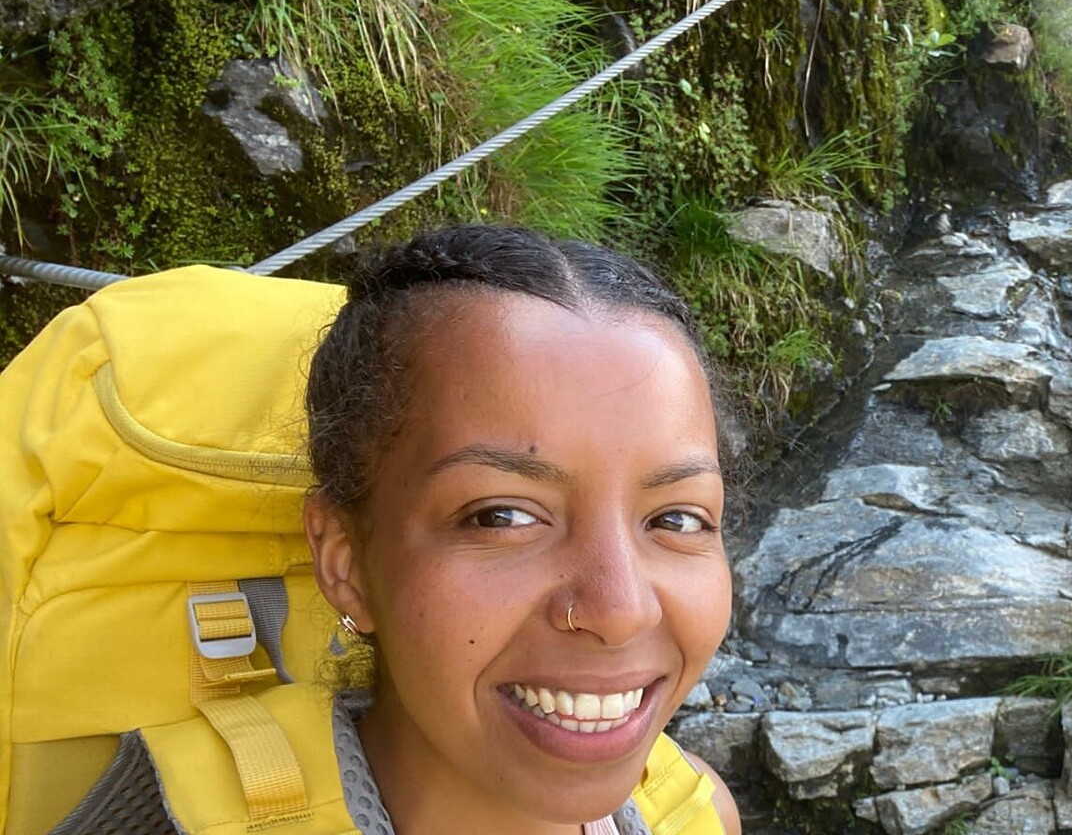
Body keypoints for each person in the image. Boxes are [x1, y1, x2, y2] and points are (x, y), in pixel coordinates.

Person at [301, 225, 743, 834]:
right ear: (346, 563)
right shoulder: (144, 816)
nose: (619, 611)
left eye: (677, 519)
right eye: (502, 516)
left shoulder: (697, 817)